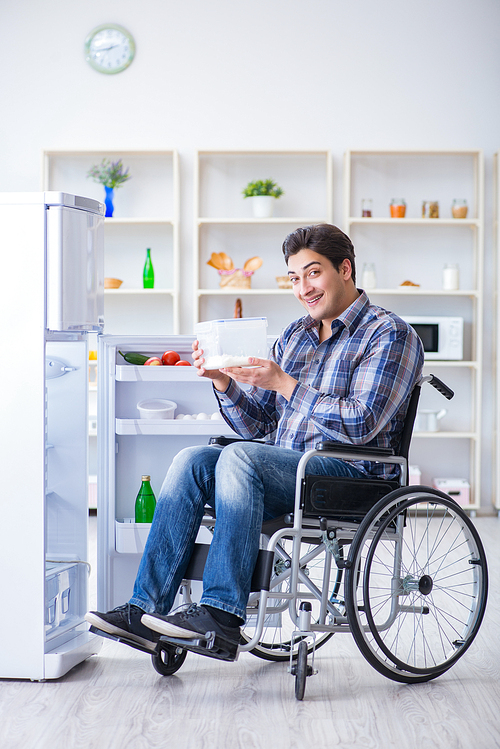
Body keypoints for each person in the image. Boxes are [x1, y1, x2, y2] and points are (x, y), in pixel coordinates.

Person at [86, 223, 424, 655]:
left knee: (241, 459)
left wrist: (285, 384)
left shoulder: (388, 334)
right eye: (294, 278)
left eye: (313, 273)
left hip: (352, 479)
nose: (304, 288)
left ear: (345, 269)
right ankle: (143, 610)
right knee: (193, 459)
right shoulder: (295, 337)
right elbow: (261, 427)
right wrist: (225, 383)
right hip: (288, 470)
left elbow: (362, 423)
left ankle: (222, 615)